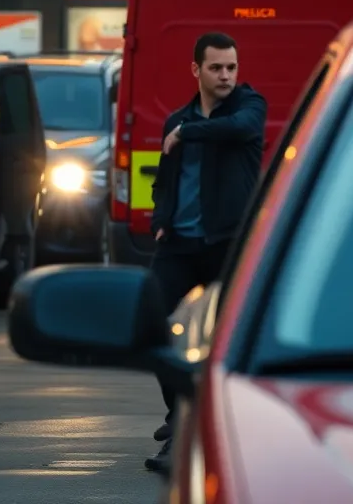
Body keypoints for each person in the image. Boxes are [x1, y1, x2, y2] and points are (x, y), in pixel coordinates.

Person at [144, 31, 267, 476]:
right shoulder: (176, 121)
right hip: (179, 244)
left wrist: (188, 131)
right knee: (151, 323)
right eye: (216, 68)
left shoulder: (249, 108)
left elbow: (238, 130)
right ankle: (178, 411)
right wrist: (161, 221)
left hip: (227, 243)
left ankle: (196, 430)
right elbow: (163, 182)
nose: (226, 76)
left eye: (231, 67)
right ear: (196, 70)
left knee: (225, 337)